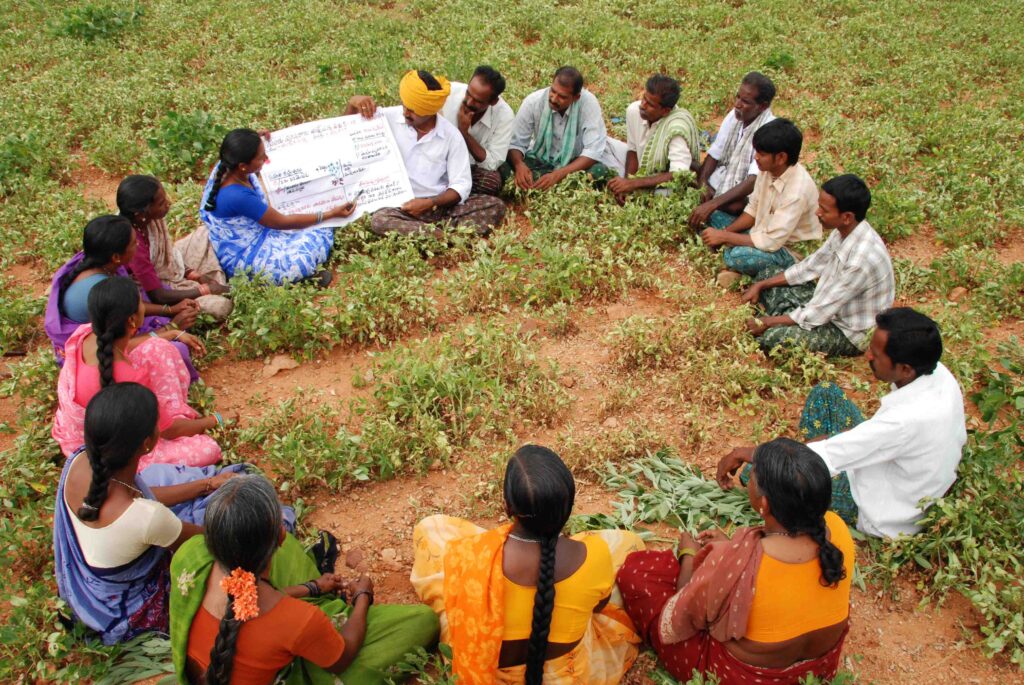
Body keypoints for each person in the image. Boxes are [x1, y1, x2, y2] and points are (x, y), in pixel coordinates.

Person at [618, 439, 853, 684]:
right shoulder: (838, 530)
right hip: (817, 671)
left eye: (752, 477)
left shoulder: (736, 560)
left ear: (764, 504)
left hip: (743, 677)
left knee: (638, 572)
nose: (748, 480)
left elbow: (681, 616)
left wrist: (689, 555)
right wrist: (731, 549)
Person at [717, 308, 967, 538]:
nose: (867, 355)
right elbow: (872, 438)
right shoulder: (937, 373)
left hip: (880, 508)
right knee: (825, 393)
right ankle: (806, 459)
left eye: (876, 354)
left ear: (905, 369)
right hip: (897, 470)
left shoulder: (905, 421)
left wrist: (748, 453)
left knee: (761, 474)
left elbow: (864, 442)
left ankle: (802, 493)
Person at [171, 474, 439, 685]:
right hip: (291, 653)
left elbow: (245, 605)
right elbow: (342, 657)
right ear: (280, 535)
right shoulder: (299, 621)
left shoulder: (190, 556)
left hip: (225, 665)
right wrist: (362, 596)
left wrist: (311, 587)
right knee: (423, 620)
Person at [411, 445, 645, 684]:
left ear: (507, 507)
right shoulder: (594, 554)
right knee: (629, 544)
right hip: (565, 676)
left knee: (431, 529)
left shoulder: (471, 554)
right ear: (568, 508)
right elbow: (599, 606)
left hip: (484, 670)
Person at [54, 383, 258, 644]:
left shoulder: (78, 460)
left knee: (164, 479)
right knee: (242, 524)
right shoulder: (147, 517)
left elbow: (139, 499)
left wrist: (206, 485)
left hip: (87, 595)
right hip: (123, 613)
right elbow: (212, 539)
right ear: (148, 443)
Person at [52, 276, 224, 468]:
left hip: (97, 418)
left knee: (160, 347)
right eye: (141, 303)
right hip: (104, 449)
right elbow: (168, 431)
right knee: (207, 449)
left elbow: (125, 346)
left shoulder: (86, 333)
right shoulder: (128, 379)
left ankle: (170, 413)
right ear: (132, 320)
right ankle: (171, 417)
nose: (144, 306)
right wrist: (215, 420)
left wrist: (169, 333)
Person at [742, 174, 895, 357]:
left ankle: (783, 318)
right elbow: (809, 267)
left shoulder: (861, 261)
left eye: (824, 210)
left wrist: (766, 322)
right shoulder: (843, 231)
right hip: (826, 306)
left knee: (775, 338)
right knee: (768, 274)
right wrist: (761, 285)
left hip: (847, 331)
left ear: (846, 217)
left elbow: (820, 311)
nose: (817, 213)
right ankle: (787, 316)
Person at [347, 70, 506, 237]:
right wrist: (352, 104)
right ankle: (441, 236)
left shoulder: (451, 136)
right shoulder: (387, 118)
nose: (406, 113)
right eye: (405, 106)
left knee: (495, 206)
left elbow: (461, 185)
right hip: (398, 207)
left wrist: (429, 203)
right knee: (380, 220)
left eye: (413, 110)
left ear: (430, 110)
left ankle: (425, 232)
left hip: (437, 206)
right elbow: (343, 134)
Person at [45, 214, 201, 381]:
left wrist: (170, 309)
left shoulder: (100, 263)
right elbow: (119, 346)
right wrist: (171, 328)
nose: (138, 245)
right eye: (133, 243)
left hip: (112, 328)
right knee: (177, 350)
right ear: (116, 257)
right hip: (99, 351)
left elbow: (132, 304)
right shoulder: (104, 290)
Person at [200, 128, 356, 287]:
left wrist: (255, 138)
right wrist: (330, 214)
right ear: (243, 166)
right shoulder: (238, 196)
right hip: (244, 254)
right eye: (261, 157)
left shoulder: (228, 163)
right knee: (314, 239)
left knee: (308, 219)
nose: (266, 158)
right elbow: (282, 222)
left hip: (255, 232)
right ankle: (298, 281)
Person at [700, 119, 821, 280]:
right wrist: (725, 233)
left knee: (738, 256)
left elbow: (770, 242)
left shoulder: (797, 191)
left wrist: (724, 238)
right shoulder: (767, 170)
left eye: (762, 154)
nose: (756, 157)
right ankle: (733, 265)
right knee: (712, 216)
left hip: (785, 249)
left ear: (781, 157)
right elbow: (752, 210)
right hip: (760, 232)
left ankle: (739, 270)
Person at [117, 175, 233, 320]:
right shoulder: (132, 245)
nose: (168, 203)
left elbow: (168, 253)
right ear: (140, 214)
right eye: (161, 203)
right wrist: (206, 290)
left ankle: (203, 279)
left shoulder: (146, 221)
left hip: (168, 269)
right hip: (156, 289)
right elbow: (158, 296)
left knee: (206, 233)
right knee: (220, 306)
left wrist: (193, 274)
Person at [507, 66, 626, 191]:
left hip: (575, 163)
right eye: (553, 91)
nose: (554, 99)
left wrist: (559, 175)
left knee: (598, 171)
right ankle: (551, 185)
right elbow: (516, 143)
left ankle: (546, 184)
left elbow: (593, 151)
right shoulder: (533, 101)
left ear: (576, 97)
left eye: (562, 97)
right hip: (541, 158)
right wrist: (519, 165)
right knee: (505, 165)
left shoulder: (588, 104)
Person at [688, 72, 777, 231]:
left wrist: (712, 204)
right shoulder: (734, 116)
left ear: (762, 106)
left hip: (748, 190)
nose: (737, 104)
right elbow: (715, 153)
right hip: (725, 178)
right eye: (738, 97)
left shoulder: (769, 129)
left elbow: (753, 180)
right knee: (694, 177)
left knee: (736, 206)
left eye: (745, 101)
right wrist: (703, 184)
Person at [607, 74, 700, 203]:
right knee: (604, 147)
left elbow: (679, 173)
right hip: (642, 171)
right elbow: (633, 150)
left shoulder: (676, 128)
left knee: (661, 196)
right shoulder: (634, 111)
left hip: (662, 182)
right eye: (643, 98)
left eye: (650, 104)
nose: (642, 105)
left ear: (665, 111)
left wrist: (633, 184)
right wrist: (627, 183)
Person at [440, 65, 515, 196]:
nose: (469, 102)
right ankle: (450, 194)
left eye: (477, 101)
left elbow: (493, 162)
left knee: (492, 182)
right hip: (439, 161)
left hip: (469, 169)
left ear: (493, 101)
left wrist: (464, 133)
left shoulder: (504, 115)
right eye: (468, 93)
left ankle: (449, 194)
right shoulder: (447, 94)